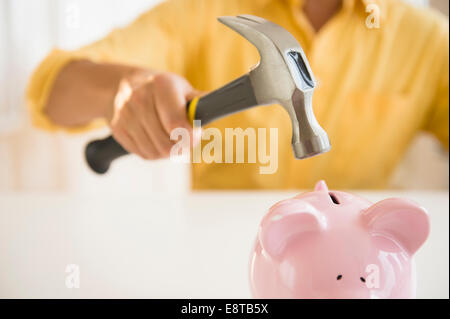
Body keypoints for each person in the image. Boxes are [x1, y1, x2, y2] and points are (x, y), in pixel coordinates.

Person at [27, 0, 449, 190]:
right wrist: (121, 88)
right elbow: (50, 90)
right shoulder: (201, 10)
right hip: (223, 260)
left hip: (357, 271)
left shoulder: (428, 40)